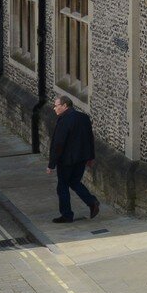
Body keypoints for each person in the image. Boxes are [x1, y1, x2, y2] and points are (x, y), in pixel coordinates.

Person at [48, 92, 100, 223]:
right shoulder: (84, 117)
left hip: (67, 161)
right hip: (81, 158)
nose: (54, 108)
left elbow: (58, 144)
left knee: (62, 187)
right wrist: (90, 157)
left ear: (65, 105)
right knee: (75, 182)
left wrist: (51, 164)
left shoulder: (64, 120)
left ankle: (67, 215)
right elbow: (90, 139)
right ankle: (92, 202)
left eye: (56, 106)